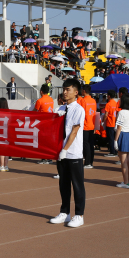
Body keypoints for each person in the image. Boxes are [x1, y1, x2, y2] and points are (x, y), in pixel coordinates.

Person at [49, 79, 85, 228]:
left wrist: (65, 150)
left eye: (68, 89)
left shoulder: (78, 109)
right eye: (64, 89)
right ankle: (65, 212)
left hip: (73, 153)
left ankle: (79, 215)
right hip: (60, 153)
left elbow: (74, 131)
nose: (64, 92)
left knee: (77, 185)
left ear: (76, 92)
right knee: (63, 184)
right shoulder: (60, 109)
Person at [114, 94, 129, 188]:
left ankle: (126, 182)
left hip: (123, 135)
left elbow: (119, 128)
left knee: (123, 161)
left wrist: (115, 140)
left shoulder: (121, 112)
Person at [34, 84, 54, 165]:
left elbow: (34, 111)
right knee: (48, 141)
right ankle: (49, 158)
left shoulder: (39, 101)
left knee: (42, 141)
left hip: (42, 123)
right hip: (50, 122)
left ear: (41, 91)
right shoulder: (51, 99)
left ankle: (43, 158)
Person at [79, 85, 96, 169]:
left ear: (84, 91)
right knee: (90, 144)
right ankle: (90, 162)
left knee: (86, 144)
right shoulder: (93, 100)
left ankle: (87, 162)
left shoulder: (83, 101)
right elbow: (95, 113)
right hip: (92, 125)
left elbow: (81, 113)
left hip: (85, 125)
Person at [0, 98, 10, 171]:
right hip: (8, 132)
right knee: (6, 150)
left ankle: (1, 166)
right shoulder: (9, 113)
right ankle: (5, 165)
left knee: (1, 150)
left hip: (0, 132)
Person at [103, 89, 118, 157]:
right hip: (115, 123)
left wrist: (103, 121)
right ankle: (115, 151)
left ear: (109, 96)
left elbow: (106, 114)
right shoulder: (116, 103)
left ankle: (112, 152)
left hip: (109, 123)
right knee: (115, 138)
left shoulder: (108, 104)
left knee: (110, 138)